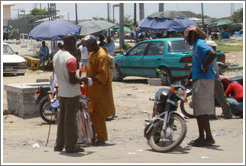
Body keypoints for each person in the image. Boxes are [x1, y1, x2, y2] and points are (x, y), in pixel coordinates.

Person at [53, 34, 88, 153]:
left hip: (62, 91)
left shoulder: (57, 55)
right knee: (71, 120)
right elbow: (73, 80)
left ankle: (59, 144)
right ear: (72, 43)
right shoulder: (70, 59)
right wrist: (84, 80)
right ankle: (71, 146)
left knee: (62, 119)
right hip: (72, 92)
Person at [184, 26, 217, 147]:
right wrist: (189, 78)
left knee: (202, 111)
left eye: (187, 36)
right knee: (198, 111)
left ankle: (208, 138)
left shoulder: (200, 44)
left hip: (204, 80)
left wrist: (205, 66)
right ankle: (202, 137)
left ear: (192, 36)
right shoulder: (196, 46)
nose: (186, 39)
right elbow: (195, 65)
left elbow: (212, 53)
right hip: (200, 80)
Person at [83, 35, 116, 146]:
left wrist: (90, 80)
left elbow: (103, 75)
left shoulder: (101, 56)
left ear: (93, 44)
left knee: (98, 115)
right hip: (92, 90)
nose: (86, 49)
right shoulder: (92, 54)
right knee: (91, 114)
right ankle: (93, 136)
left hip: (99, 91)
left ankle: (101, 138)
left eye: (87, 46)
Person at [206, 40, 232, 119]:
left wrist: (221, 65)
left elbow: (214, 64)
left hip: (211, 79)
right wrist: (215, 74)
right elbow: (209, 66)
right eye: (213, 47)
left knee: (211, 98)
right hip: (214, 79)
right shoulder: (209, 55)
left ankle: (212, 115)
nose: (215, 48)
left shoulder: (210, 55)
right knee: (221, 98)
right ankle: (227, 114)